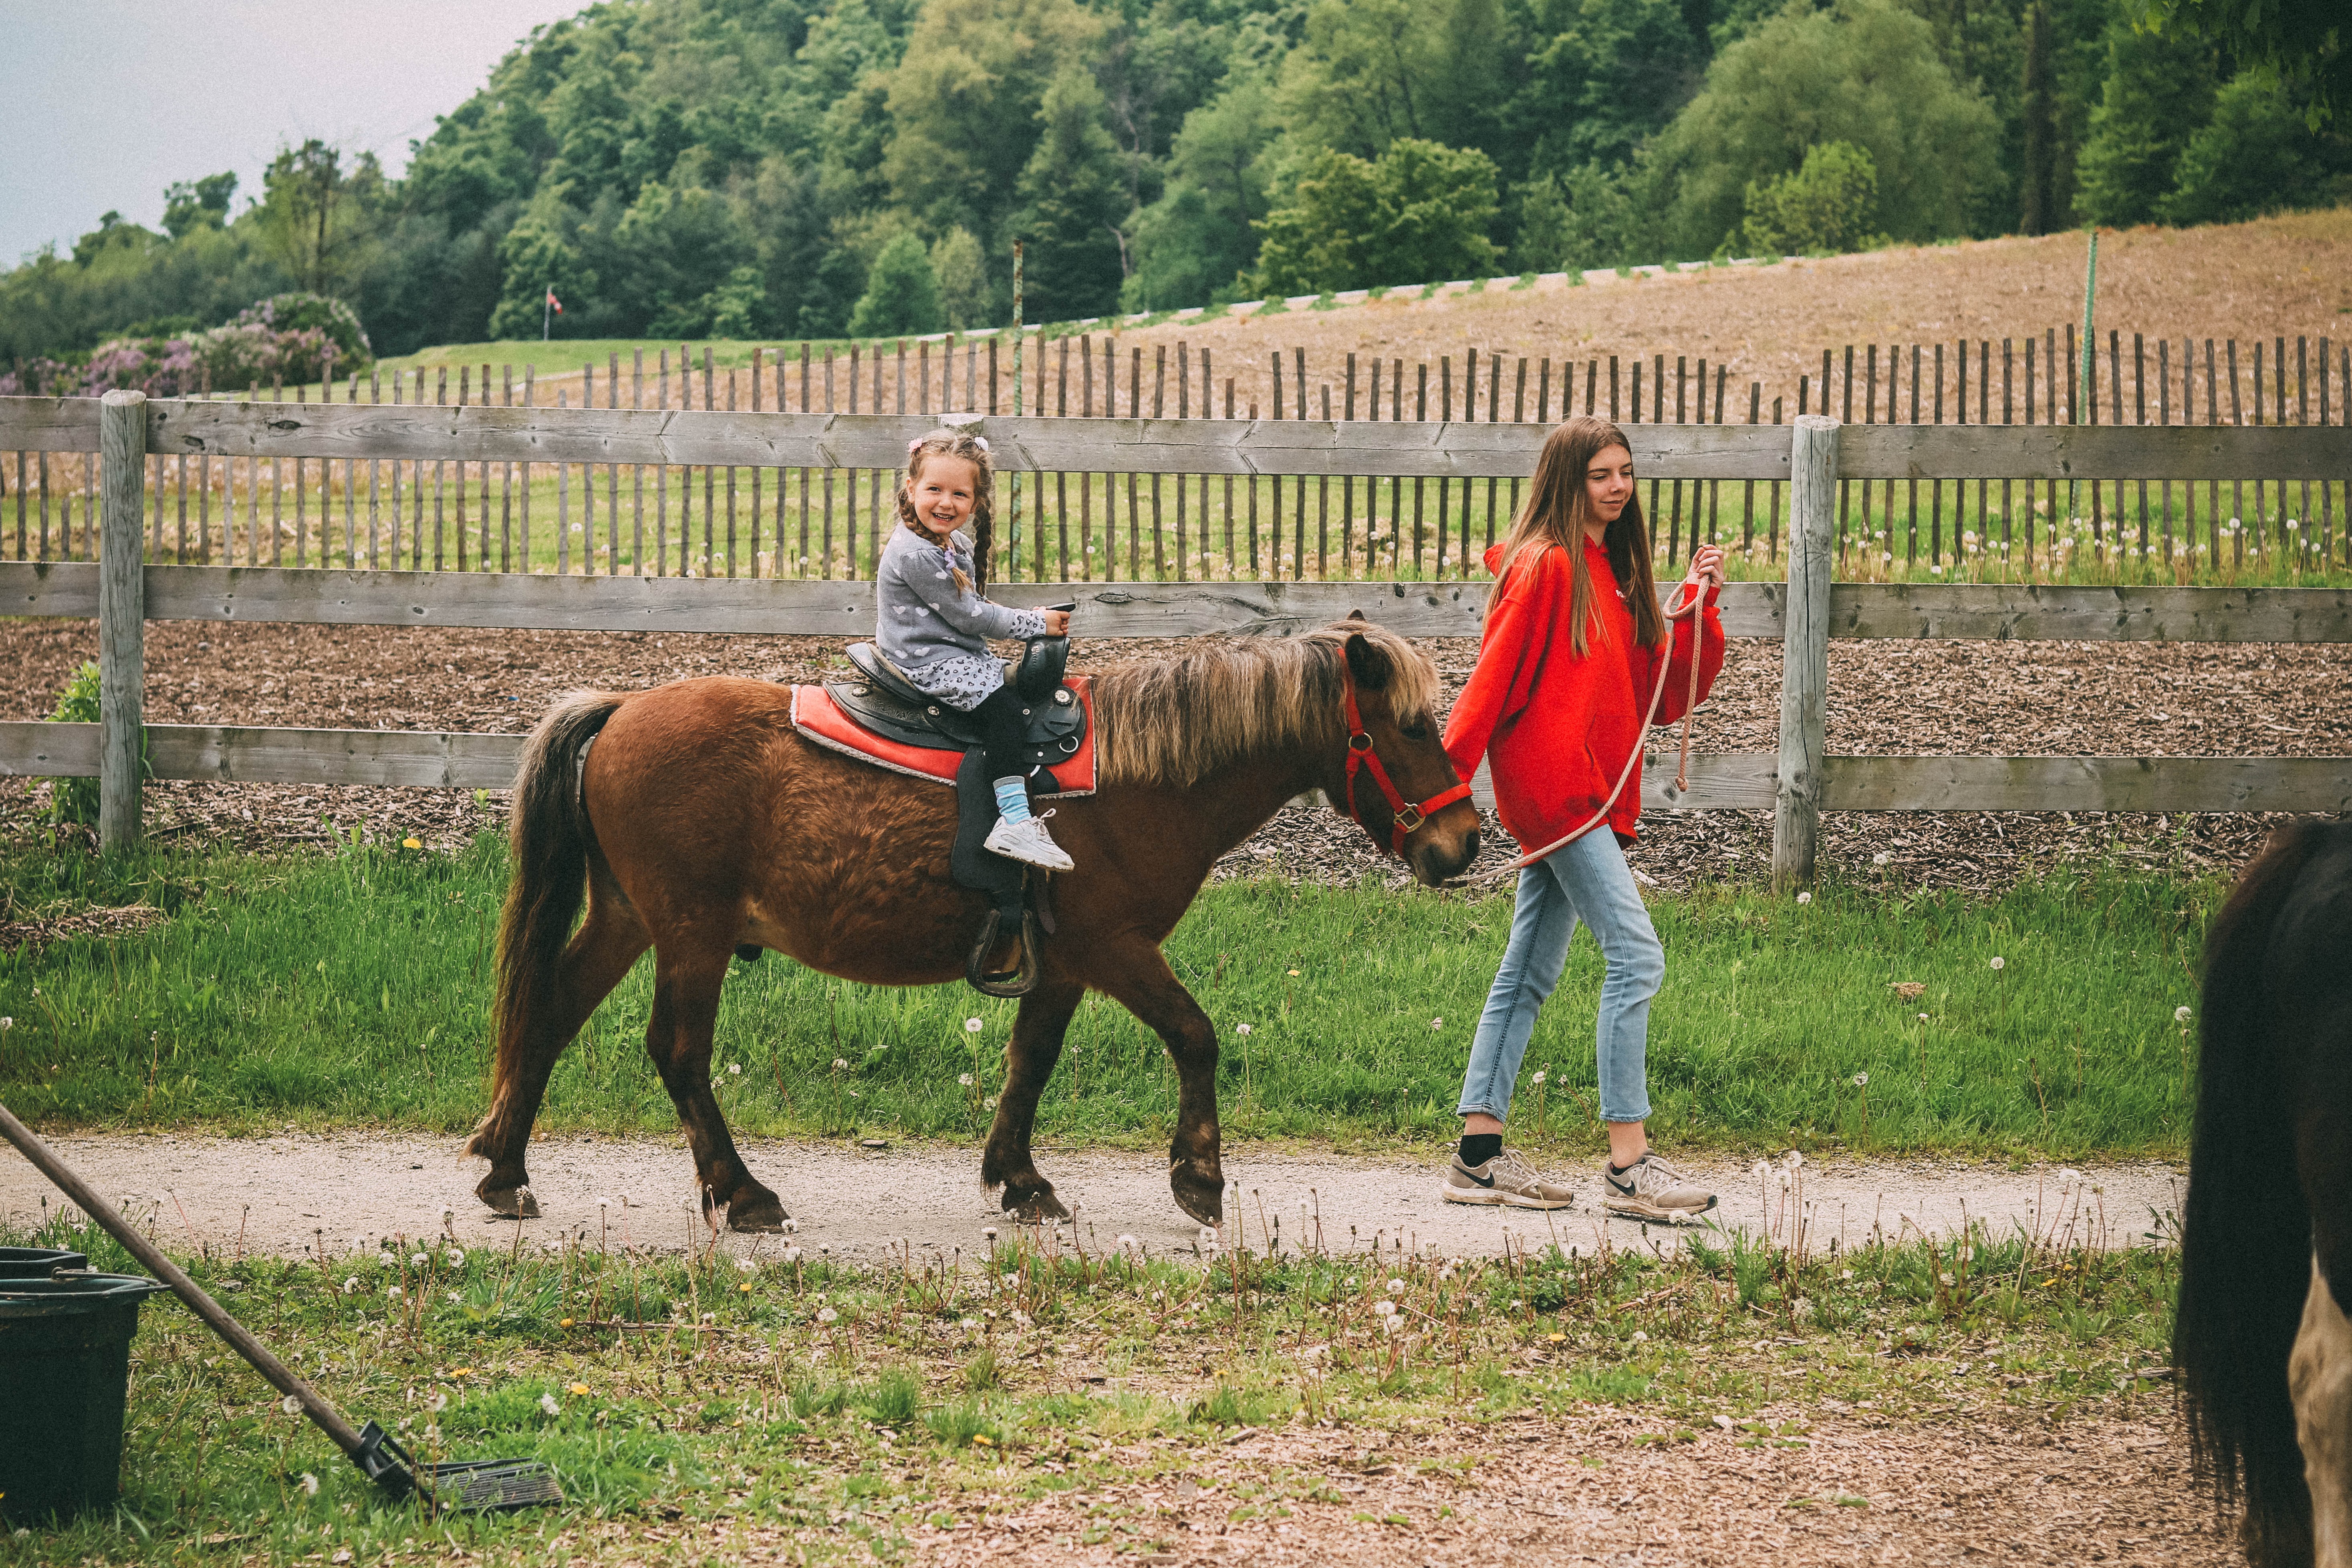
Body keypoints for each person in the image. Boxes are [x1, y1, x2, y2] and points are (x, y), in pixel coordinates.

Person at [1438, 416, 1726, 1221]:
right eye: (1601, 473)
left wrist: (1697, 610)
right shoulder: (1545, 568)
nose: (1618, 486)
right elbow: (1488, 686)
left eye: (1626, 471)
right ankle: (1629, 1167)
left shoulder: (1611, 573)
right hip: (1562, 796)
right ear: (1568, 479)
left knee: (1528, 968)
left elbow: (1663, 697)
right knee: (1636, 956)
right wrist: (1439, 789)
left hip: (1588, 791)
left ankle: (1477, 1157)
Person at [875, 431, 1074, 871]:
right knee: (1004, 712)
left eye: (959, 494)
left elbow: (972, 612)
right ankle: (1014, 821)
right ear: (911, 488)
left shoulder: (948, 543)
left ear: (976, 501)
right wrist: (1035, 623)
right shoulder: (916, 554)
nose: (946, 503)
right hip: (925, 660)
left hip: (950, 649)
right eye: (935, 490)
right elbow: (972, 618)